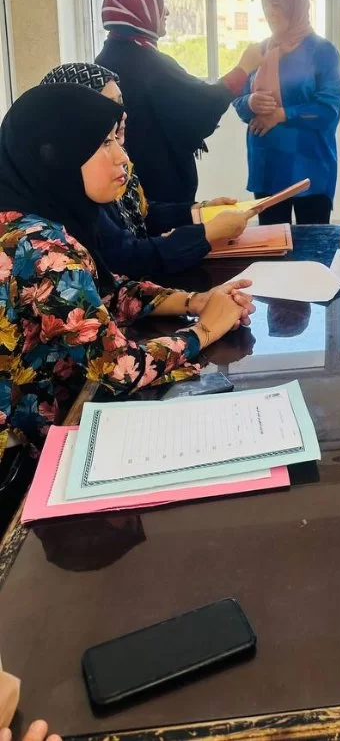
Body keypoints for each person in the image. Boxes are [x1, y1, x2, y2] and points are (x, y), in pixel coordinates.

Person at [0, 84, 253, 527]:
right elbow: (118, 369)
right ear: (55, 155)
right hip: (19, 466)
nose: (122, 157)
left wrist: (194, 300)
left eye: (117, 139)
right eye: (103, 143)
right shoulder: (43, 250)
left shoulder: (29, 216)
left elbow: (104, 291)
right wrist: (205, 330)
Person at [41, 63, 251, 276]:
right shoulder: (73, 180)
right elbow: (125, 257)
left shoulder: (115, 156)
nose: (122, 114)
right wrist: (206, 233)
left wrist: (200, 211)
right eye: (108, 105)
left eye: (121, 103)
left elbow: (141, 215)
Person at [96, 0, 264, 202]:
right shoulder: (147, 63)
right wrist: (243, 69)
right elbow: (198, 105)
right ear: (141, 8)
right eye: (158, 4)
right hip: (158, 192)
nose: (166, 12)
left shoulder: (107, 56)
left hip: (127, 184)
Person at [233, 0, 340, 225]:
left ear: (295, 6)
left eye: (276, 4)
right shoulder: (258, 51)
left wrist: (282, 114)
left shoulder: (322, 51)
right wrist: (250, 102)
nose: (269, 11)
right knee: (272, 242)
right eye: (265, 4)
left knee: (313, 242)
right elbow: (238, 100)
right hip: (267, 166)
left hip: (309, 167)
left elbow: (329, 109)